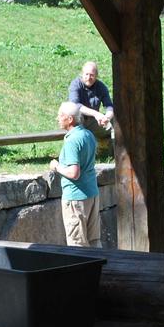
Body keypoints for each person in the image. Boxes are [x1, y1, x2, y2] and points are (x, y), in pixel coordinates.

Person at [50, 101, 101, 248]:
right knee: (94, 241)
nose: (57, 118)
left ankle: (82, 272)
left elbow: (74, 173)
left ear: (70, 119)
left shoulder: (72, 141)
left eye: (60, 115)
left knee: (77, 244)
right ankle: (100, 271)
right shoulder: (88, 134)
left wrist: (56, 166)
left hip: (75, 199)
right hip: (92, 193)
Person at [68, 61, 114, 131]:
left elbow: (109, 106)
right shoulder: (75, 84)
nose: (89, 77)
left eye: (92, 75)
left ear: (96, 76)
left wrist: (107, 118)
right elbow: (75, 105)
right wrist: (96, 114)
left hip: (93, 121)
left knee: (116, 123)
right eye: (86, 74)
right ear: (82, 74)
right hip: (76, 122)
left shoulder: (101, 87)